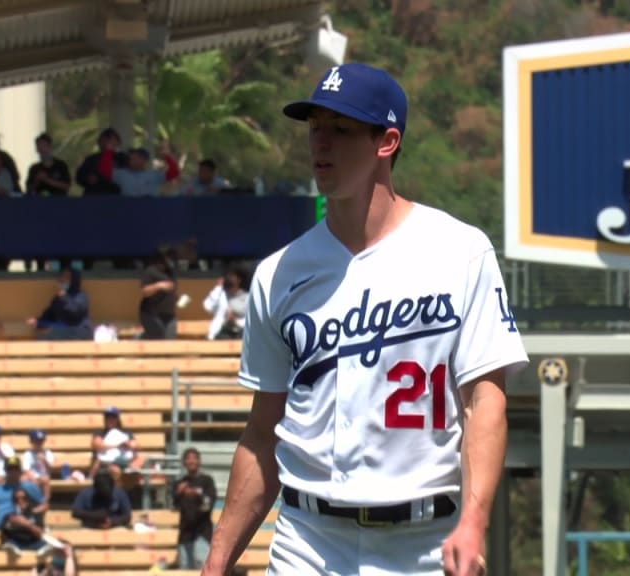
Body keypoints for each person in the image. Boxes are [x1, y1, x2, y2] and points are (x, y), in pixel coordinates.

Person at [201, 63, 529, 576]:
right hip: (307, 539)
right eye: (315, 128)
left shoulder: (460, 251)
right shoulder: (278, 273)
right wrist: (218, 559)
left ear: (387, 141)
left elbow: (484, 402)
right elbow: (263, 432)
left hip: (422, 542)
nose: (321, 144)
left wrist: (474, 521)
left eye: (341, 129)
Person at [172, 448, 217, 569]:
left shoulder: (207, 481)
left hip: (202, 533)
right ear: (184, 463)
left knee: (203, 568)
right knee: (185, 568)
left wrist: (198, 494)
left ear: (199, 461)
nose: (191, 461)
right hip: (185, 534)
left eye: (194, 458)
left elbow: (209, 504)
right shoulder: (179, 483)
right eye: (188, 459)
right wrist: (179, 492)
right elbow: (174, 505)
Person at [0, 456, 47, 528]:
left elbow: (43, 505)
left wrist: (33, 512)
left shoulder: (29, 487)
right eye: (10, 469)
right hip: (0, 528)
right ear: (5, 470)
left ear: (20, 471)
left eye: (16, 469)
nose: (13, 471)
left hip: (23, 528)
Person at [27, 268, 92, 340]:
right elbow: (50, 315)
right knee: (41, 339)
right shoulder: (57, 299)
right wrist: (38, 322)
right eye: (61, 277)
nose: (63, 280)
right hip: (63, 332)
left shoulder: (81, 296)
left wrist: (65, 298)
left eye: (67, 277)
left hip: (79, 331)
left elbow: (75, 312)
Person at [88, 406, 143, 482]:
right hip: (107, 464)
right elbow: (97, 445)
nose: (110, 419)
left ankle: (131, 472)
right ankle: (120, 490)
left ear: (117, 419)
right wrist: (117, 446)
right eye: (107, 417)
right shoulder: (100, 433)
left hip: (124, 460)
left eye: (113, 417)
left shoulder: (125, 433)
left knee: (140, 458)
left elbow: (137, 445)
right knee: (115, 469)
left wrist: (129, 444)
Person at [98, 146, 180, 197]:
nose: (133, 161)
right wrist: (109, 152)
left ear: (143, 160)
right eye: (131, 158)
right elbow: (104, 171)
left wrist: (166, 156)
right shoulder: (122, 174)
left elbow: (174, 173)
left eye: (137, 158)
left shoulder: (154, 174)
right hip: (128, 209)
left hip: (150, 208)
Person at [71, 465, 132, 529]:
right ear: (95, 488)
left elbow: (127, 516)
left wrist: (112, 521)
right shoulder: (85, 494)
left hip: (114, 527)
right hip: (90, 526)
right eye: (102, 493)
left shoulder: (120, 494)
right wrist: (95, 516)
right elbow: (75, 512)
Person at [139, 250, 178, 340]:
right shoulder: (150, 272)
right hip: (152, 313)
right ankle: (139, 338)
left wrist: (177, 298)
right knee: (157, 336)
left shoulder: (170, 273)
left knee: (170, 339)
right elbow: (145, 291)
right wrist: (158, 286)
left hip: (169, 314)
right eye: (169, 258)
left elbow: (171, 290)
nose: (172, 261)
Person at [0, 487, 49, 557]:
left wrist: (26, 524)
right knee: (9, 544)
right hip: (15, 543)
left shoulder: (35, 514)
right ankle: (14, 551)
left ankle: (40, 552)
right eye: (16, 499)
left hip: (32, 543)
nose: (20, 501)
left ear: (28, 499)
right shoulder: (9, 516)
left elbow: (40, 534)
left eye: (23, 498)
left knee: (44, 544)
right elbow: (3, 534)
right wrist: (11, 523)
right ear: (13, 501)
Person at [202, 267, 249, 340]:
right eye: (227, 276)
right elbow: (207, 306)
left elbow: (248, 318)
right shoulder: (220, 294)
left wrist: (235, 322)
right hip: (219, 333)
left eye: (232, 276)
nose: (228, 278)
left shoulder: (246, 297)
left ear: (239, 279)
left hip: (240, 334)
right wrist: (218, 287)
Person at [22, 429, 55, 504]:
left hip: (43, 477)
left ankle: (45, 502)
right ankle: (26, 503)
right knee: (24, 479)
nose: (39, 443)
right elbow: (26, 469)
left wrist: (45, 460)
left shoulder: (48, 453)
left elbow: (51, 469)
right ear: (31, 442)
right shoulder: (28, 454)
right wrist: (33, 479)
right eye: (36, 441)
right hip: (32, 477)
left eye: (41, 441)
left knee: (45, 479)